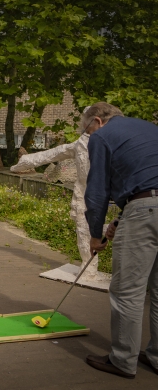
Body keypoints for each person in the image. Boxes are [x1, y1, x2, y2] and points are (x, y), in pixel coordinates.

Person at [83, 102, 158, 379]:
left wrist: (94, 235)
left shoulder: (103, 136)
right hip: (146, 207)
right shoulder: (149, 128)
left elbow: (97, 190)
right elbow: (147, 180)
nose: (90, 137)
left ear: (98, 121)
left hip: (145, 210)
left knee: (128, 292)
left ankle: (123, 360)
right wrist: (121, 219)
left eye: (88, 131)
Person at [10, 105, 122, 281]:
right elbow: (49, 155)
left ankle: (100, 260)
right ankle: (89, 269)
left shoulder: (110, 142)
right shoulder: (80, 144)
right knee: (83, 230)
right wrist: (21, 164)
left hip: (108, 193)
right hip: (84, 194)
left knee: (105, 229)